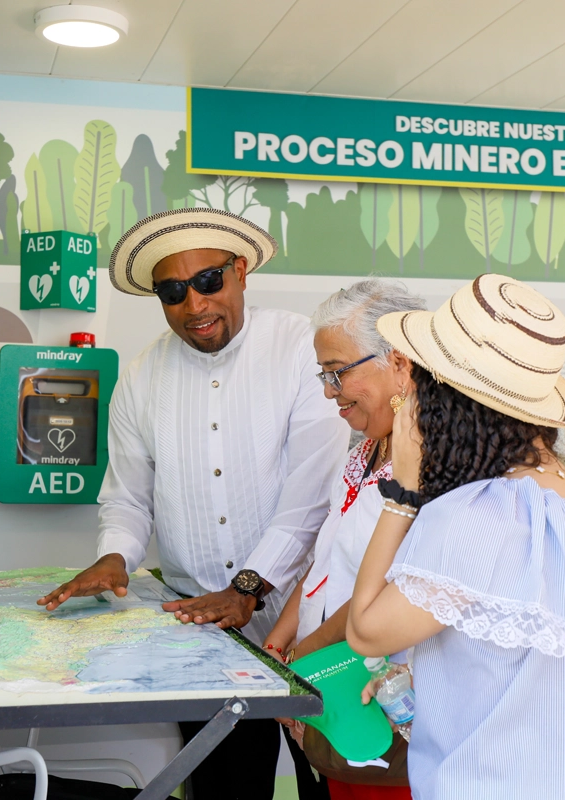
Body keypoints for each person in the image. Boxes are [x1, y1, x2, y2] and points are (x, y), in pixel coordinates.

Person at [38, 208, 349, 799]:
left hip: (309, 621)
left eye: (208, 280)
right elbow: (127, 499)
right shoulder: (140, 378)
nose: (195, 305)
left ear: (240, 272)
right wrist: (115, 557)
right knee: (227, 786)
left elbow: (311, 499)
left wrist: (248, 587)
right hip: (204, 632)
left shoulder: (300, 350)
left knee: (329, 778)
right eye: (173, 292)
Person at [347, 274, 565, 798]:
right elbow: (517, 661)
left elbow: (366, 631)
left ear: (450, 403)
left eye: (418, 388)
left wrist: (403, 494)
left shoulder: (481, 512)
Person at [262, 279, 425, 800]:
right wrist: (279, 644)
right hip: (334, 688)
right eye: (324, 375)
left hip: (388, 704)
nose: (330, 392)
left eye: (339, 372)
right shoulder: (362, 454)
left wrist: (303, 663)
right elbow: (326, 562)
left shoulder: (428, 467)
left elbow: (392, 593)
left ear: (399, 362)